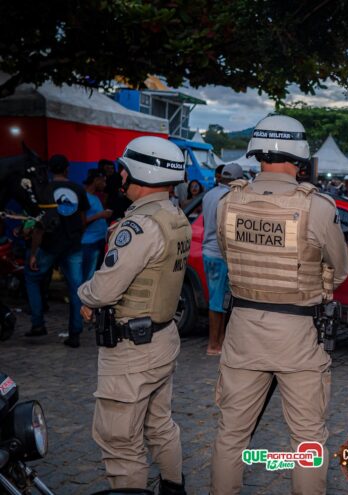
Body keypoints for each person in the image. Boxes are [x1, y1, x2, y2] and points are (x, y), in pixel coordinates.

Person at [210, 115, 348, 495]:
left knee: (231, 434)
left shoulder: (228, 201)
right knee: (307, 438)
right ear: (300, 156)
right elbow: (340, 271)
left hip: (244, 329)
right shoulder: (317, 207)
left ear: (256, 153)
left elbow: (228, 256)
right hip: (299, 333)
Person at [77, 136, 191, 494]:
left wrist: (84, 295)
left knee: (120, 441)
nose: (120, 176)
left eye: (123, 169)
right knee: (160, 425)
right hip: (161, 338)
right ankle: (173, 488)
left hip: (132, 349)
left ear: (141, 171)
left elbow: (105, 289)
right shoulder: (174, 215)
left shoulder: (139, 226)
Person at [24, 154, 90, 347]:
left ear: (50, 170)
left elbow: (39, 225)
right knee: (76, 288)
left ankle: (38, 323)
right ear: (67, 168)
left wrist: (33, 253)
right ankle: (75, 333)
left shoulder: (44, 190)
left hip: (49, 245)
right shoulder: (78, 189)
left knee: (31, 278)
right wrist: (76, 236)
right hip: (73, 245)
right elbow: (83, 220)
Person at [201, 163, 243, 355]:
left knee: (219, 299)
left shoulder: (209, 195)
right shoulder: (229, 197)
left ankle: (221, 340)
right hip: (220, 254)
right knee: (218, 302)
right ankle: (214, 345)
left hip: (208, 251)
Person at [81, 169, 112, 281]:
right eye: (103, 181)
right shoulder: (84, 197)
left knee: (95, 276)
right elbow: (80, 222)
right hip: (89, 243)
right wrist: (100, 215)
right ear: (96, 180)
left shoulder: (95, 197)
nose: (105, 184)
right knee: (88, 277)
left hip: (99, 241)